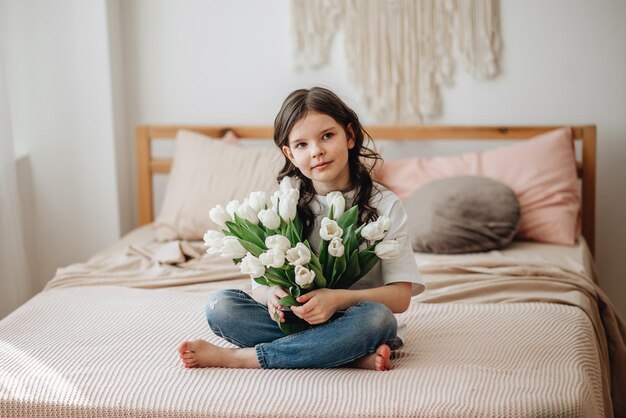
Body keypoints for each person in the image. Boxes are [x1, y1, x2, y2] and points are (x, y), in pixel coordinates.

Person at [178, 87, 424, 371]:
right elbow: (261, 281)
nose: (317, 151)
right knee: (221, 306)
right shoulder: (285, 202)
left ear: (350, 136)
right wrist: (272, 294)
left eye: (327, 136)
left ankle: (243, 359)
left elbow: (400, 297)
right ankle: (346, 355)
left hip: (355, 320)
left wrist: (338, 300)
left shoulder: (384, 205)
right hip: (298, 319)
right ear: (289, 154)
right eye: (302, 145)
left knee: (378, 319)